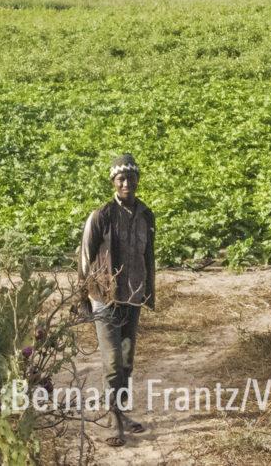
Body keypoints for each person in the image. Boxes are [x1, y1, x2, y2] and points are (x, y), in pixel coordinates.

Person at [77, 153, 156, 447]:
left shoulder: (146, 215)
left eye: (131, 178)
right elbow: (85, 258)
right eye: (121, 178)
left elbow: (149, 256)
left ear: (137, 180)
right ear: (113, 181)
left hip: (132, 298)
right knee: (112, 361)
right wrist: (85, 295)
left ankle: (121, 413)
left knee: (126, 360)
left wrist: (148, 291)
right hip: (105, 299)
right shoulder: (101, 216)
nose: (126, 183)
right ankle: (113, 419)